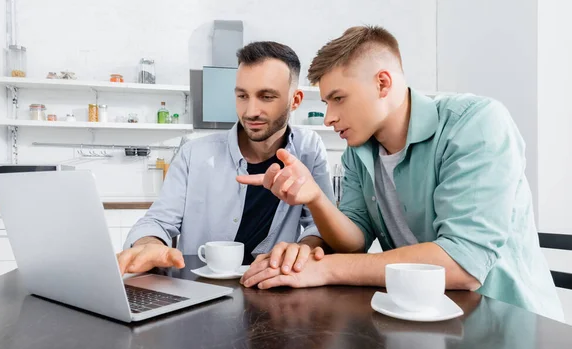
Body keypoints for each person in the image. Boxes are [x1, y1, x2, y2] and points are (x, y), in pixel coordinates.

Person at [238, 26, 564, 321]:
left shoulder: (476, 122)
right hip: (420, 320)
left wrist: (323, 269)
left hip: (505, 327)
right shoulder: (359, 150)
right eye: (326, 102)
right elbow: (354, 241)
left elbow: (464, 264)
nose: (328, 118)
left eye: (338, 99)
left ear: (383, 83)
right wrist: (315, 197)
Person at [117, 41, 333, 275]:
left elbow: (320, 223)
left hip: (275, 285)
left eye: (266, 96)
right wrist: (148, 244)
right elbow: (157, 221)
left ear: (296, 100)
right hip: (200, 289)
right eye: (242, 95)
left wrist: (304, 247)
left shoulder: (309, 148)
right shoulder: (194, 153)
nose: (250, 111)